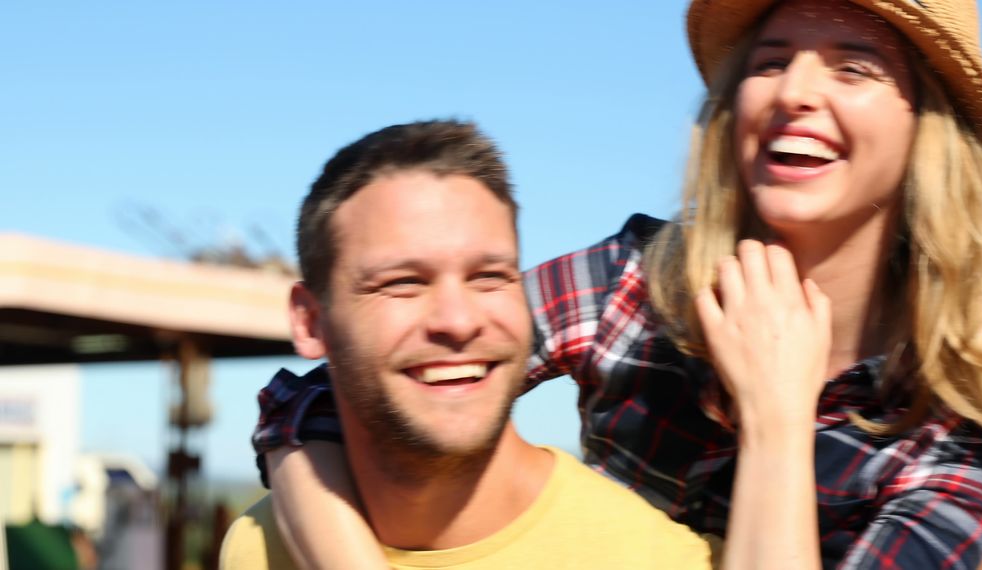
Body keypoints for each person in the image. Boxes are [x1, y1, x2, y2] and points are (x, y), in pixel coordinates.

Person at [253, 1, 982, 567]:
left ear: (928, 134)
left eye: (854, 67)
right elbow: (332, 397)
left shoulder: (966, 424)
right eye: (771, 62)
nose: (795, 93)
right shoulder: (632, 279)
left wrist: (778, 421)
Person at [219, 120, 716, 569]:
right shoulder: (257, 549)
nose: (458, 321)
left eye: (488, 277)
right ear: (310, 322)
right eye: (403, 282)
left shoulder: (652, 558)